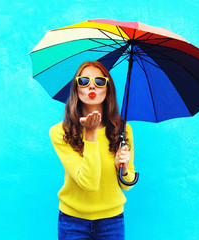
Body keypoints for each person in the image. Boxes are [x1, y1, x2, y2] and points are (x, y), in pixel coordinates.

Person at [49, 61, 136, 240]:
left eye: (99, 81)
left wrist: (125, 168)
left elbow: (127, 185)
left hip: (112, 221)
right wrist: (90, 133)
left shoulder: (123, 130)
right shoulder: (60, 131)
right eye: (83, 81)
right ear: (76, 88)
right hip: (73, 221)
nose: (91, 86)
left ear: (108, 88)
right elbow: (88, 183)